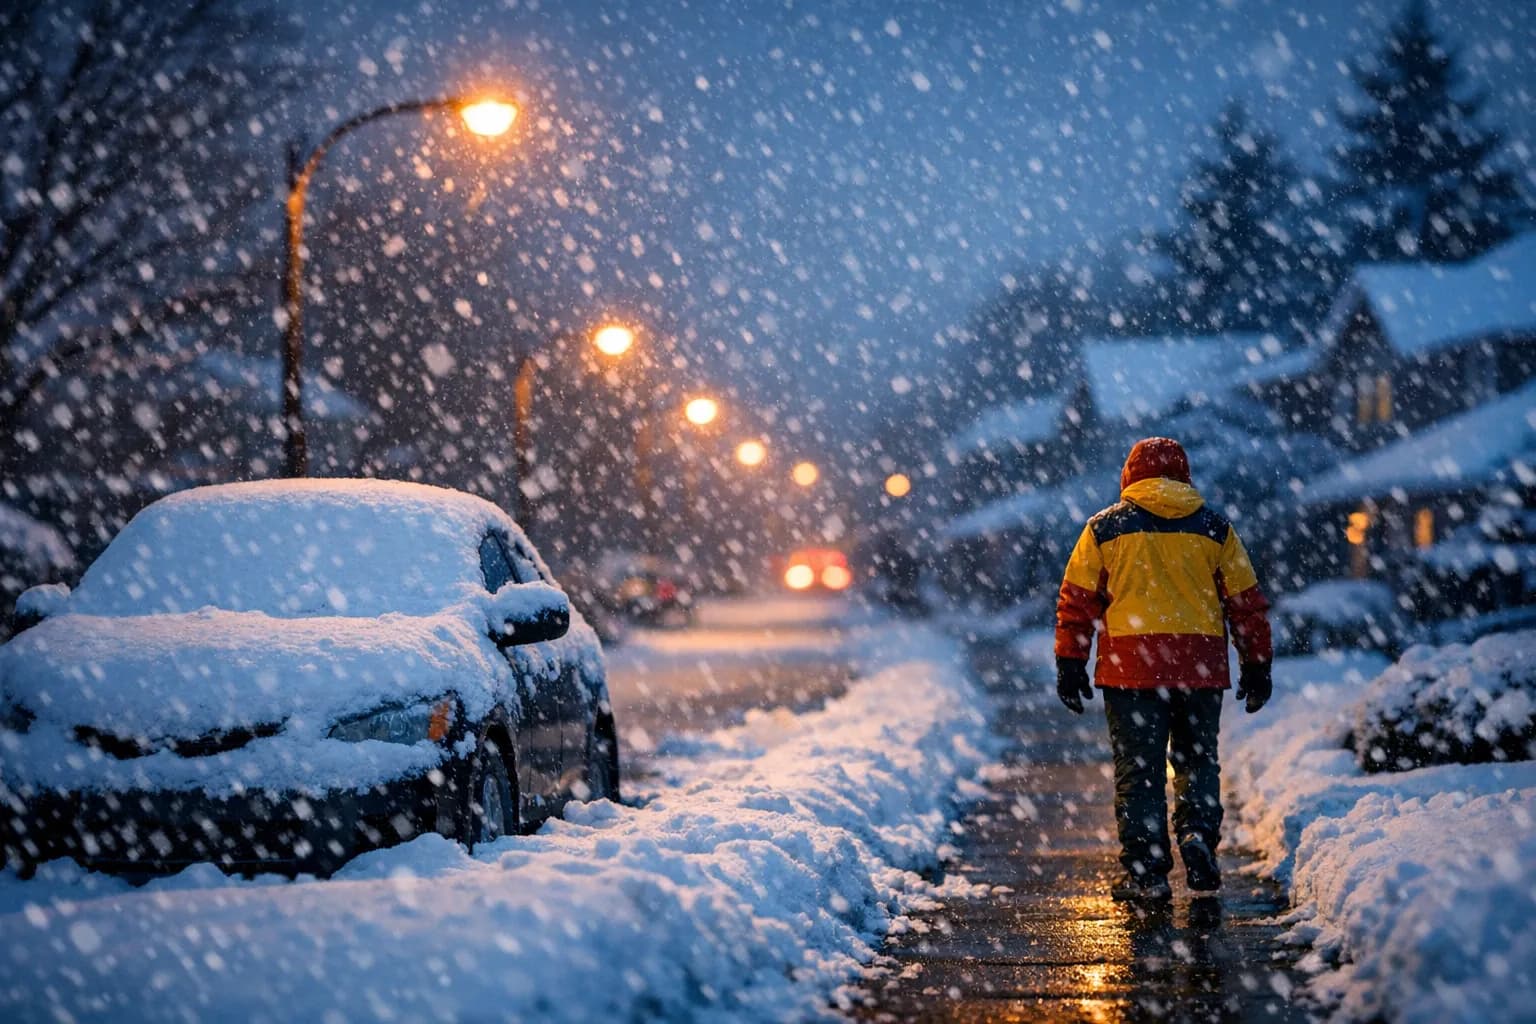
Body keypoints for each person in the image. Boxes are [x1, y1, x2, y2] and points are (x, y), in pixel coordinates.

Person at [1054, 437, 1272, 900]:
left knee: (1140, 770)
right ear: (1184, 475)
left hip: (1130, 671)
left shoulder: (1104, 530)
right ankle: (1196, 835)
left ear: (1130, 476)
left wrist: (1070, 661)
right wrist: (1256, 663)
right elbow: (1245, 602)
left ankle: (1147, 872)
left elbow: (1077, 600)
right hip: (1199, 668)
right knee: (1197, 760)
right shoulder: (1215, 529)